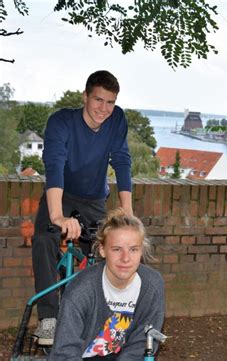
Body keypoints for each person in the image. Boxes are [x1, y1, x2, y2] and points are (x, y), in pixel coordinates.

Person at [32, 70, 133, 345]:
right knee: (44, 238)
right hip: (61, 194)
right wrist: (56, 216)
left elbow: (122, 160)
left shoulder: (117, 120)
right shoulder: (61, 122)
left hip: (94, 198)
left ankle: (100, 316)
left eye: (110, 102)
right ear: (85, 96)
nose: (104, 109)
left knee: (109, 247)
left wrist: (128, 212)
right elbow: (54, 166)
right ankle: (49, 318)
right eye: (98, 100)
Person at [49, 208, 165, 360]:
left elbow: (141, 344)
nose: (126, 258)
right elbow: (64, 352)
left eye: (133, 250)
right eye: (117, 249)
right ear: (102, 250)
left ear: (141, 251)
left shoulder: (152, 285)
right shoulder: (81, 289)